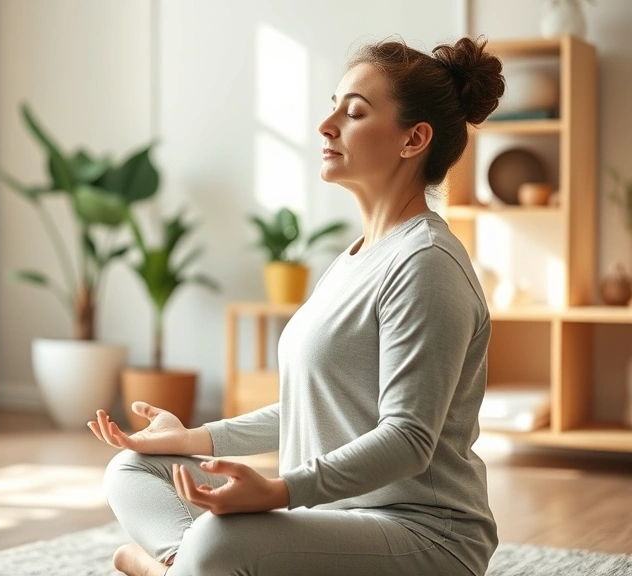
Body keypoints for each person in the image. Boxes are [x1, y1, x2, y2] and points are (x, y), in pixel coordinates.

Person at [88, 35, 506, 576]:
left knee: (219, 542)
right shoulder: (355, 258)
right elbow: (313, 407)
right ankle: (180, 568)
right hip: (333, 518)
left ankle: (179, 566)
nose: (326, 125)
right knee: (135, 469)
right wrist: (190, 438)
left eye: (354, 113)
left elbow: (408, 439)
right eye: (332, 107)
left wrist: (279, 492)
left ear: (414, 139)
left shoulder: (426, 264)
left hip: (423, 536)